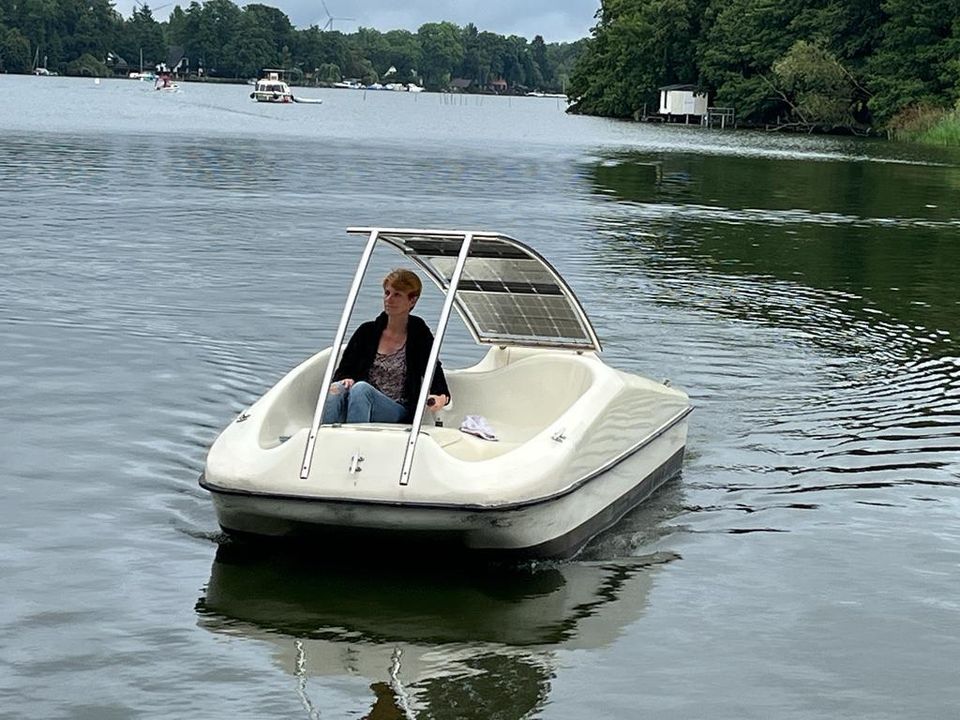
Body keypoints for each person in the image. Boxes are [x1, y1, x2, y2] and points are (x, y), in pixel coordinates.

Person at [322, 269, 450, 424]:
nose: (389, 299)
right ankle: (324, 439)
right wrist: (345, 379)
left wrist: (441, 394)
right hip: (359, 402)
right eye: (387, 293)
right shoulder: (366, 331)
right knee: (335, 389)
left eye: (397, 295)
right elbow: (343, 370)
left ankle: (356, 443)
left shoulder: (418, 333)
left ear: (412, 301)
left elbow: (433, 367)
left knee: (361, 389)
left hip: (397, 409)